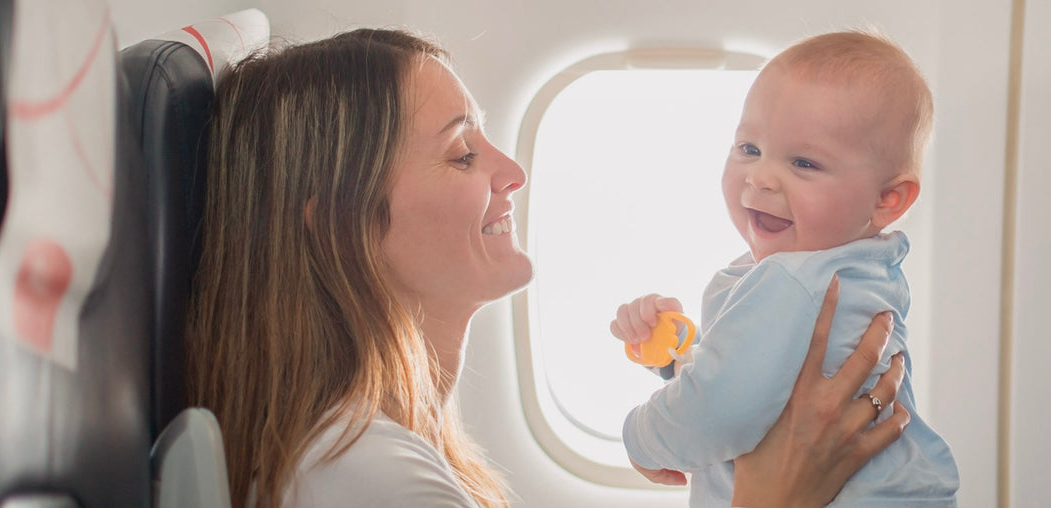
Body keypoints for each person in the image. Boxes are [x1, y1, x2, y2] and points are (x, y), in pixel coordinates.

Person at [185, 28, 910, 508]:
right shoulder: (361, 475)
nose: (511, 170)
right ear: (343, 221)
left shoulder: (393, 448)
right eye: (462, 152)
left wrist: (684, 366)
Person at [610, 30, 959, 506]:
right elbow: (770, 384)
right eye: (749, 149)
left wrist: (641, 439)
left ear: (886, 200)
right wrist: (677, 357)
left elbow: (720, 411)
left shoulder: (791, 280)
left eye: (804, 162)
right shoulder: (865, 269)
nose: (759, 176)